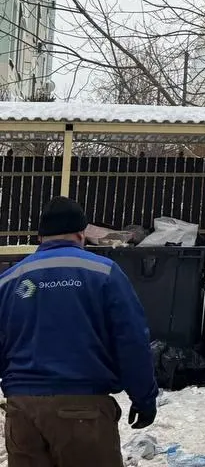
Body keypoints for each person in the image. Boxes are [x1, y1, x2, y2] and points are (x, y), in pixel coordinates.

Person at [0, 197, 158, 467]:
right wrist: (143, 397)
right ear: (81, 233)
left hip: (23, 412)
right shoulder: (104, 273)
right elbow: (131, 341)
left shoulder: (10, 279)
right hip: (83, 411)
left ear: (40, 237)